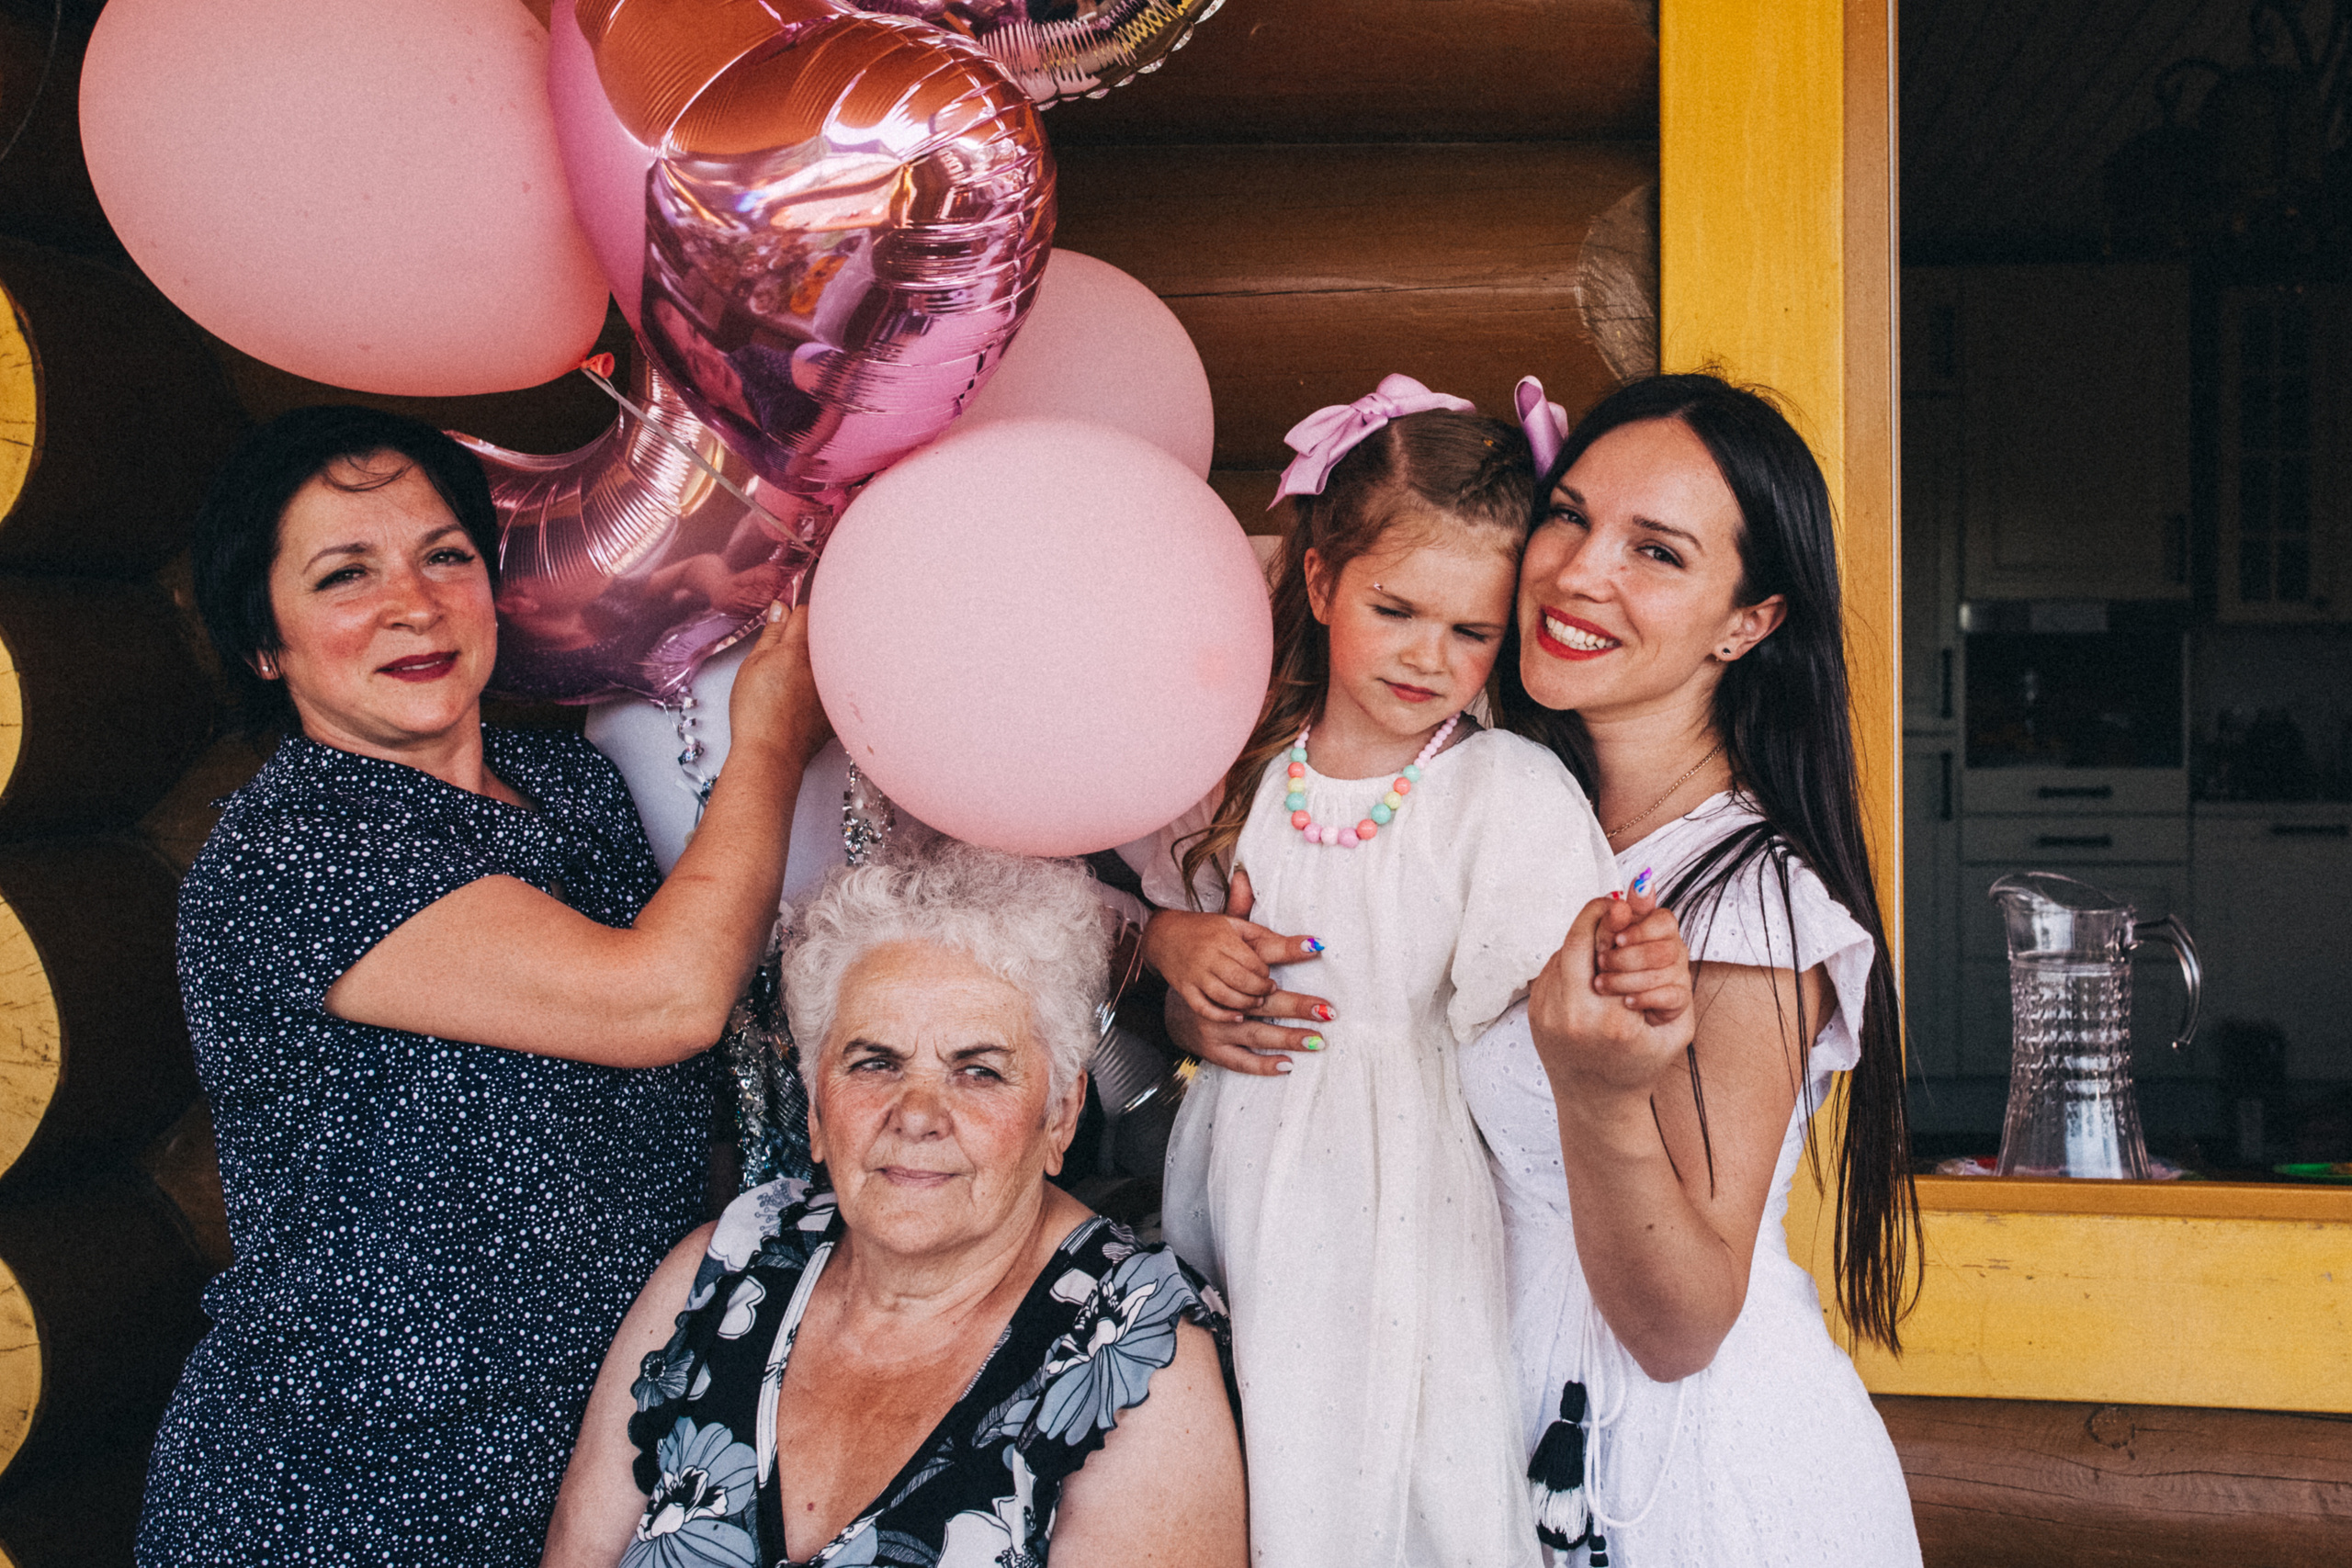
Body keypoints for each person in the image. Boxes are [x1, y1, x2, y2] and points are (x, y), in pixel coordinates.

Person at [138, 406, 828, 1567]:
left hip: (597, 1462)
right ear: (265, 642)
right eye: (345, 574)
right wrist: (768, 738)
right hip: (348, 1490)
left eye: (445, 555)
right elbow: (659, 1003)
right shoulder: (293, 850)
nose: (414, 604)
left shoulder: (570, 784)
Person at [1123, 376, 1642, 1568]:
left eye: (1471, 631)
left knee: (1396, 1459)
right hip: (1245, 1168)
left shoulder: (1497, 790)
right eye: (1395, 608)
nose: (1426, 656)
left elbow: (1538, 1022)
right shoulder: (1238, 775)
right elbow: (1155, 930)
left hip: (1408, 1192)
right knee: (1250, 1439)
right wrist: (1173, 952)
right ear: (1320, 583)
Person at [1464, 373, 1923, 1564]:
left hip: (1682, 1484)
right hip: (1498, 1441)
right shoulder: (1511, 821)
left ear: (1747, 623)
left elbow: (1683, 1326)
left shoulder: (1751, 899)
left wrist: (1599, 1094)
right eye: (1567, 516)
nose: (1578, 571)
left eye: (1655, 551)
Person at [542, 842, 1246, 1568]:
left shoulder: (1136, 1355)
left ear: (1061, 1115)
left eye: (978, 1070)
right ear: (816, 1107)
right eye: (875, 1061)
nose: (916, 1114)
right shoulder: (729, 1263)